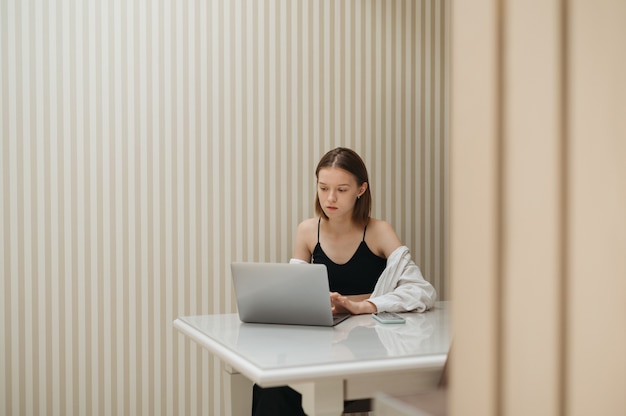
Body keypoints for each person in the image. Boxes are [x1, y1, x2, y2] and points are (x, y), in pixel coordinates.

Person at [251, 147, 437, 416]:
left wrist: (361, 305)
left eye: (341, 189)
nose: (330, 198)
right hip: (322, 344)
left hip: (370, 346)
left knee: (289, 389)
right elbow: (295, 291)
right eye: (323, 187)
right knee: (269, 382)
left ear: (361, 190)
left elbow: (421, 291)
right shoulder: (307, 231)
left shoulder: (378, 231)